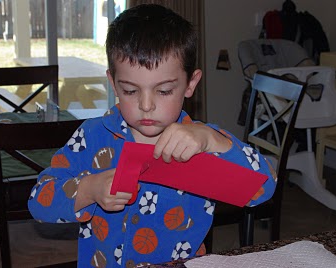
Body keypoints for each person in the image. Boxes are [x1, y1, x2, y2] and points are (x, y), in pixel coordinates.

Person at [28, 4, 276, 267]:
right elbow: (39, 202)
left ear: (190, 84)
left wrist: (213, 140)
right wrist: (89, 189)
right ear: (113, 84)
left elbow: (264, 187)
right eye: (130, 91)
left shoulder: (203, 144)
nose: (146, 105)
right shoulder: (91, 137)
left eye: (164, 91)